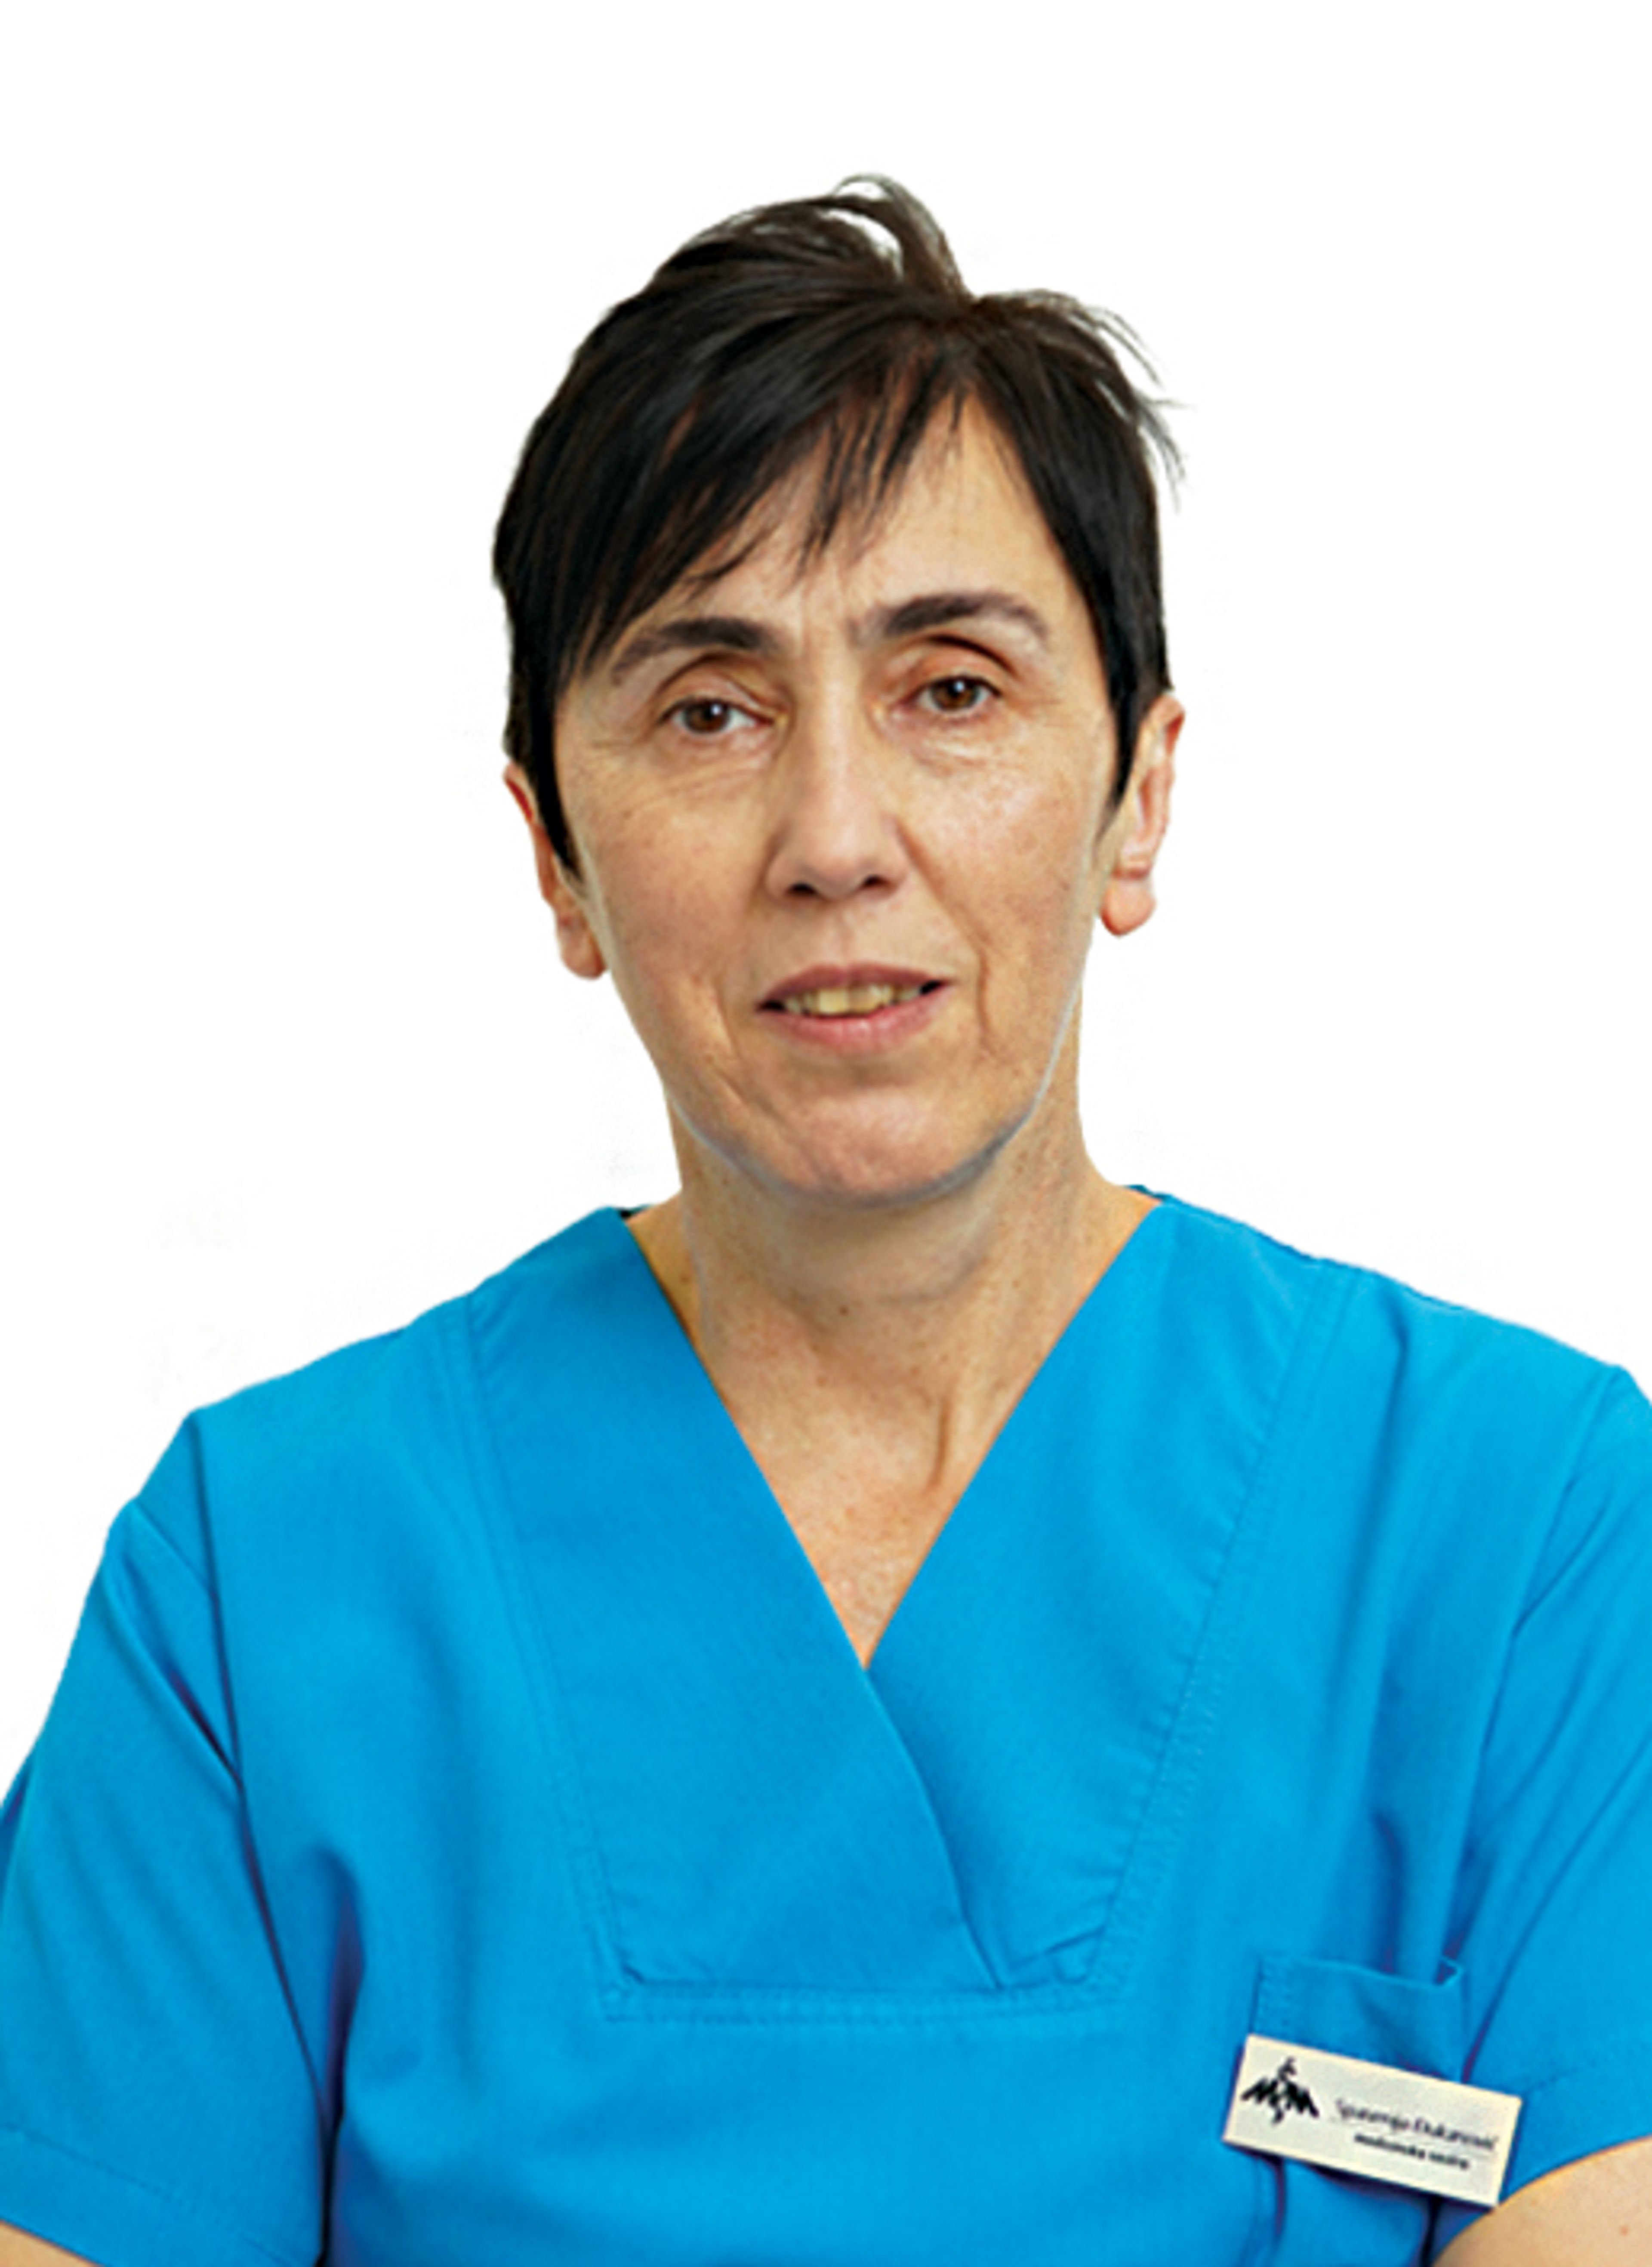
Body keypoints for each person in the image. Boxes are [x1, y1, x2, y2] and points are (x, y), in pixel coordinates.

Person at [0, 178, 1648, 2267]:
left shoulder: (1516, 1534)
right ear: (557, 855)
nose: (837, 836)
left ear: (1139, 792)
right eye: (712, 708)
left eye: (951, 688)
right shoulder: (262, 1587)